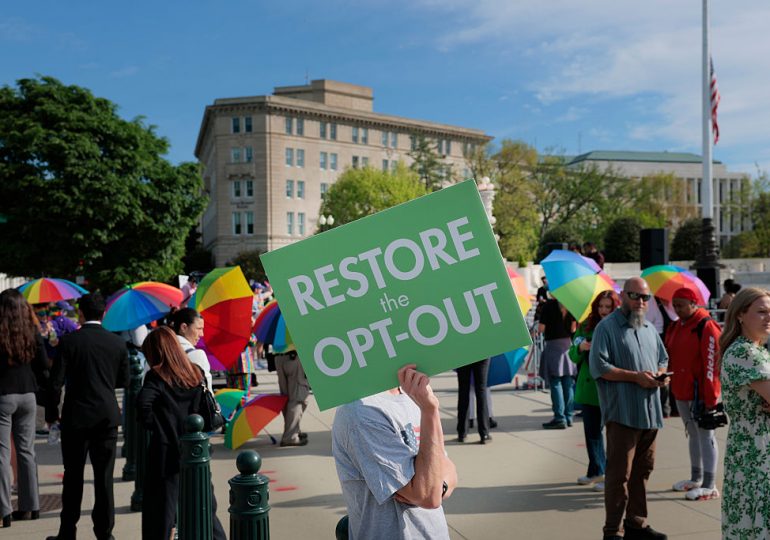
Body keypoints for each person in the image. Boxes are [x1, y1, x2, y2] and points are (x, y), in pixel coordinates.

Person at [332, 364, 457, 539]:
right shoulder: (361, 411)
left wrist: (438, 486)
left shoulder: (411, 395)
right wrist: (430, 411)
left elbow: (448, 468)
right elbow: (427, 496)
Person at [589, 277, 669, 540]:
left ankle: (636, 523)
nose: (641, 302)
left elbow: (663, 357)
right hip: (623, 413)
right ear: (623, 296)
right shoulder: (606, 328)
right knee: (619, 475)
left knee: (643, 471)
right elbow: (599, 367)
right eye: (635, 296)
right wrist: (636, 377)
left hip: (650, 413)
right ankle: (613, 530)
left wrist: (660, 374)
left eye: (646, 297)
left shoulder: (648, 328)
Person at [46, 293, 129, 540]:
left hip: (76, 416)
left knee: (73, 476)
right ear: (103, 314)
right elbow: (124, 380)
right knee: (104, 478)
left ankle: (67, 531)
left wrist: (52, 413)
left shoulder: (69, 342)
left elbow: (55, 383)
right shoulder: (117, 343)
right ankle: (104, 532)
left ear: (80, 314)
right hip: (106, 416)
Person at [137, 326, 226, 540]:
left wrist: (159, 426)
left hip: (166, 451)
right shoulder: (195, 372)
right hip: (196, 449)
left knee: (162, 510)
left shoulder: (156, 376)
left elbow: (142, 405)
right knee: (205, 506)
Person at [718, 288, 770, 539]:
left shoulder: (757, 350)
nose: (768, 318)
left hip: (754, 446)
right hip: (755, 448)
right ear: (740, 315)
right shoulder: (744, 352)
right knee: (757, 517)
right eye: (761, 312)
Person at [664, 287, 722, 501]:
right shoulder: (676, 326)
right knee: (692, 433)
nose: (677, 309)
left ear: (693, 304)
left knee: (706, 435)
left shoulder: (706, 325)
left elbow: (712, 364)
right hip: (681, 390)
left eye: (681, 305)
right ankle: (696, 478)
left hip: (700, 392)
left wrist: (710, 397)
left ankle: (709, 484)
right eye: (674, 305)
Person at [0, 289, 47, 527]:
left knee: (2, 454)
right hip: (28, 393)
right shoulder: (31, 331)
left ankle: (4, 510)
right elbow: (43, 364)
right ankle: (32, 506)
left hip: (3, 394)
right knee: (27, 451)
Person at [568, 290, 620, 492]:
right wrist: (581, 348)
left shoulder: (620, 326)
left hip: (611, 387)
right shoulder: (585, 326)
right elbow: (573, 355)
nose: (604, 310)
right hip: (589, 386)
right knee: (591, 433)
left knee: (615, 436)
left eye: (608, 307)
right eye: (601, 306)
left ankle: (611, 475)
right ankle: (596, 469)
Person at [538, 299, 577, 429]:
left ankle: (560, 418)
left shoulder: (548, 305)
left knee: (556, 382)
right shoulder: (571, 304)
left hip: (553, 346)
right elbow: (573, 329)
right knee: (568, 382)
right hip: (567, 345)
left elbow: (541, 329)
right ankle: (569, 416)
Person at [168, 308, 214, 392]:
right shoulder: (198, 355)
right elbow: (207, 392)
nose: (202, 334)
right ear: (184, 327)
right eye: (199, 329)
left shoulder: (158, 351)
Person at [275, 346, 310, 446]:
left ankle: (293, 430)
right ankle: (290, 436)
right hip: (293, 357)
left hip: (279, 355)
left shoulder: (278, 334)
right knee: (298, 399)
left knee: (286, 398)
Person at [455, 358, 491, 443]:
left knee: (463, 391)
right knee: (481, 391)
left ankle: (462, 432)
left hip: (462, 355)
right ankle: (484, 433)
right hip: (482, 354)